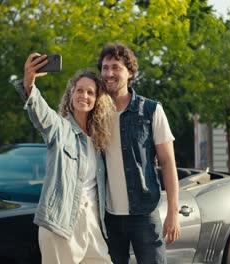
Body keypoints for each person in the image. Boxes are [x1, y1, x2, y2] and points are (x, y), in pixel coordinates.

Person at [14, 53, 115, 264]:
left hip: (92, 224)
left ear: (97, 100)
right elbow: (40, 112)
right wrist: (29, 81)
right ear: (71, 95)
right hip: (62, 223)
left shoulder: (98, 141)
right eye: (79, 90)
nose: (84, 96)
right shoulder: (59, 128)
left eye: (90, 92)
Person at [97, 42, 180, 263]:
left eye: (116, 67)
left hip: (145, 214)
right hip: (108, 217)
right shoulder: (95, 112)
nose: (109, 73)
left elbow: (168, 162)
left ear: (130, 72)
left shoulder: (151, 110)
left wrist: (173, 211)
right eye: (105, 68)